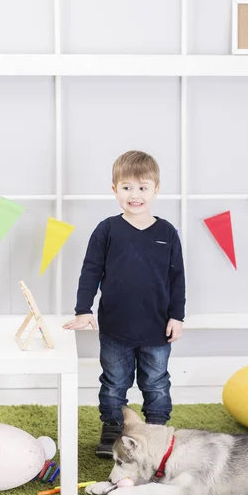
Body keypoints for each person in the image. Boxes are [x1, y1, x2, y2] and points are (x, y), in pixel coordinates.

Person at [63, 150, 186, 458]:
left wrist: (177, 317)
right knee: (114, 384)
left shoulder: (167, 232)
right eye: (127, 187)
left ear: (156, 189)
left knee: (156, 384)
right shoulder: (107, 229)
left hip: (157, 328)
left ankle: (156, 431)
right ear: (114, 190)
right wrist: (83, 309)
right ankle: (113, 429)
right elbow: (90, 271)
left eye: (143, 187)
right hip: (116, 328)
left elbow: (177, 278)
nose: (135, 194)